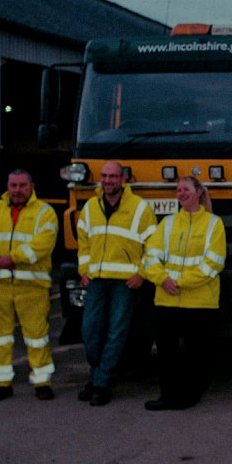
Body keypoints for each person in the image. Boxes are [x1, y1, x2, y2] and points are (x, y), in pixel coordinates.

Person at [0, 168, 59, 401]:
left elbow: (43, 244)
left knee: (37, 336)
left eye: (22, 185)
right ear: (7, 187)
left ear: (31, 186)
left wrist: (13, 257)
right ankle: (1, 382)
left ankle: (42, 382)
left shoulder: (45, 212)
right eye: (13, 185)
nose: (17, 190)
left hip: (32, 287)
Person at [142, 175, 227, 411]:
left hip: (199, 302)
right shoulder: (167, 223)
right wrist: (162, 279)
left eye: (186, 189)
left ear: (199, 192)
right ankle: (167, 396)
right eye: (178, 190)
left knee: (195, 353)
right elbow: (150, 256)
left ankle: (190, 396)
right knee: (166, 353)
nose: (181, 193)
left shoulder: (214, 224)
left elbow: (214, 264)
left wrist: (176, 282)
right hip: (166, 299)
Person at [76, 161, 157, 406]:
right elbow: (84, 243)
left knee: (116, 333)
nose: (108, 180)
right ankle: (98, 376)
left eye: (113, 176)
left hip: (126, 282)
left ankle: (101, 383)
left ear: (123, 179)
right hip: (97, 280)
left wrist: (142, 274)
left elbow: (153, 246)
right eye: (104, 176)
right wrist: (83, 270)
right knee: (90, 333)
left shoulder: (140, 208)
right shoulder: (90, 207)